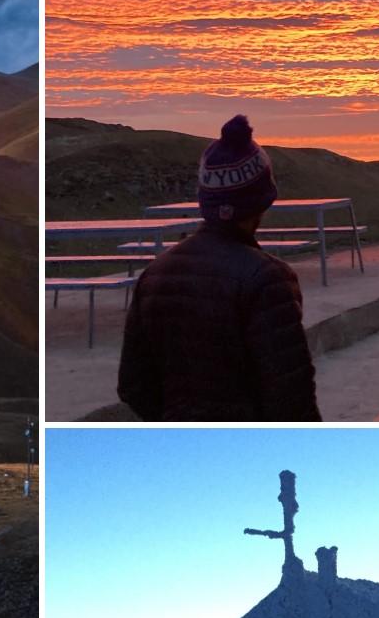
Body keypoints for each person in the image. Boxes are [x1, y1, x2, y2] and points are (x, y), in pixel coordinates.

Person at [117, 115, 320, 421]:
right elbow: (292, 398)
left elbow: (133, 385)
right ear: (262, 201)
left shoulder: (155, 274)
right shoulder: (267, 278)